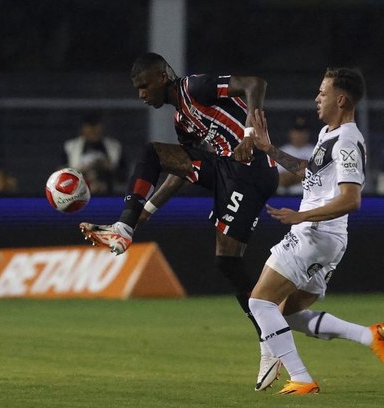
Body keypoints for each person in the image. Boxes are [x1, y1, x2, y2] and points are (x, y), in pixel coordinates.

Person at [78, 52, 279, 366]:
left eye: (144, 86)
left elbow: (256, 83)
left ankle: (273, 338)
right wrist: (146, 213)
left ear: (161, 77)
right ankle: (270, 341)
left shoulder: (195, 87)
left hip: (251, 168)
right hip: (228, 171)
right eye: (137, 89)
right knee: (226, 263)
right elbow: (182, 169)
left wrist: (250, 136)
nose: (141, 95)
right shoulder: (182, 120)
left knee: (152, 153)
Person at [247, 68, 384, 395]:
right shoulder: (329, 134)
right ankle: (370, 336)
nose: (317, 98)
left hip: (314, 235)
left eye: (323, 93)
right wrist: (268, 148)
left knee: (260, 304)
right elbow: (307, 171)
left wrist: (302, 215)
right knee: (289, 314)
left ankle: (300, 377)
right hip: (325, 239)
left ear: (341, 99)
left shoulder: (347, 140)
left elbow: (351, 199)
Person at [62, 112, 127, 195]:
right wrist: (82, 169)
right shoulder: (70, 147)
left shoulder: (114, 147)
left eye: (95, 125)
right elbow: (61, 173)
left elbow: (123, 175)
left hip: (109, 194)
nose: (93, 130)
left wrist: (108, 167)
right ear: (82, 128)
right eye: (89, 126)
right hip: (78, 194)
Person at [276, 116, 314, 195]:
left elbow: (322, 176)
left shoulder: (315, 151)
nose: (299, 135)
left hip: (311, 196)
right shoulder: (281, 152)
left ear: (308, 133)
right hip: (287, 197)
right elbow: (280, 180)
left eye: (303, 131)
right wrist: (308, 173)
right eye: (296, 131)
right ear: (290, 133)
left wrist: (292, 175)